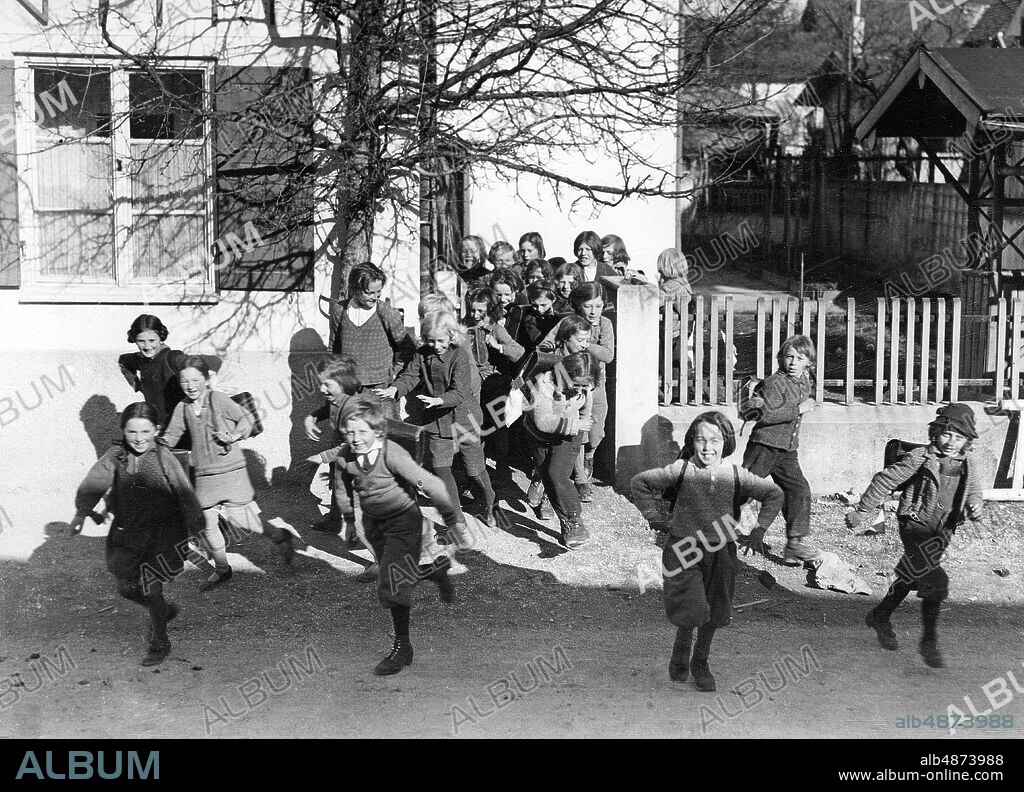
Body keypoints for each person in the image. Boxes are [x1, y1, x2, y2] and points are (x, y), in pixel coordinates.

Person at [310, 398, 468, 675]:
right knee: (396, 574)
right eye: (350, 433)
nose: (356, 439)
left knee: (392, 584)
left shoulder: (391, 454)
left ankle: (402, 647)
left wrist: (452, 520)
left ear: (378, 433)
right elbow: (343, 485)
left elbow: (431, 483)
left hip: (404, 524)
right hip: (375, 525)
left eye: (362, 433)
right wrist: (349, 520)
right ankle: (433, 571)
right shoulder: (347, 454)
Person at [630, 411, 783, 691]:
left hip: (721, 550)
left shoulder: (736, 474)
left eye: (715, 440)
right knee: (693, 607)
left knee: (714, 609)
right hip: (683, 548)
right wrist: (653, 516)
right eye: (700, 439)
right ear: (691, 441)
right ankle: (682, 644)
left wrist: (759, 530)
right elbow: (639, 483)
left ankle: (700, 661)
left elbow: (774, 494)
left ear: (726, 441)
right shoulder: (681, 470)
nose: (707, 447)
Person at [846, 404, 983, 669]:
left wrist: (975, 505)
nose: (951, 442)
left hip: (943, 530)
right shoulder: (920, 457)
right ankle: (928, 641)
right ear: (935, 432)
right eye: (946, 434)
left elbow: (974, 490)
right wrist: (863, 511)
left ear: (967, 440)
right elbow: (884, 480)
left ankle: (880, 614)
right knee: (934, 580)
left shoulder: (967, 463)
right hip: (916, 525)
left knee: (912, 574)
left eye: (959, 437)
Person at [71, 403, 204, 666]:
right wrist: (81, 512)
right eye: (132, 432)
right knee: (126, 588)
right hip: (128, 532)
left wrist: (199, 531)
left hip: (163, 533)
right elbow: (94, 482)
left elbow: (186, 495)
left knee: (151, 587)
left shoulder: (165, 458)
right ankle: (164, 611)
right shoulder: (116, 455)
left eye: (145, 431)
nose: (139, 438)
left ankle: (160, 642)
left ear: (156, 429)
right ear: (123, 430)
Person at [161, 357, 295, 590]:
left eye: (196, 379)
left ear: (207, 379)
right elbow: (171, 437)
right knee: (207, 523)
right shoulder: (182, 408)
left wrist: (232, 436)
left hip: (231, 470)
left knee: (241, 519)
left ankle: (279, 536)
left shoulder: (218, 399)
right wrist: (152, 446)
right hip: (204, 474)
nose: (191, 386)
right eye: (185, 381)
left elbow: (247, 418)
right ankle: (223, 570)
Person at [377, 311, 498, 528]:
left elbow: (460, 392)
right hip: (436, 422)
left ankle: (489, 503)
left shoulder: (460, 355)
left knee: (474, 468)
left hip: (464, 419)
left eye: (440, 340)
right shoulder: (422, 354)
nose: (436, 346)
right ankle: (456, 519)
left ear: (451, 336)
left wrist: (439, 400)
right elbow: (410, 376)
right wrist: (395, 389)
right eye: (430, 340)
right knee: (441, 469)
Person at [738, 334, 821, 566]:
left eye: (800, 358)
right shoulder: (775, 382)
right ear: (780, 359)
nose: (793, 363)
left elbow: (805, 397)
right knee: (744, 491)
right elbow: (765, 416)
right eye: (789, 357)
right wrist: (799, 409)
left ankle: (794, 545)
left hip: (786, 451)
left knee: (799, 490)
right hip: (764, 447)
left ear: (809, 363)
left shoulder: (804, 381)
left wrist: (805, 403)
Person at [539, 282, 614, 500]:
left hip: (596, 383)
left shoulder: (605, 324)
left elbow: (608, 355)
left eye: (598, 306)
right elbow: (546, 344)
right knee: (576, 430)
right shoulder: (568, 322)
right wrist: (554, 350)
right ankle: (580, 480)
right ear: (579, 305)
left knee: (596, 430)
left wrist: (584, 341)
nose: (593, 312)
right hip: (570, 381)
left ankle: (589, 455)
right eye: (588, 306)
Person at [525, 351, 597, 549]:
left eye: (586, 385)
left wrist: (582, 422)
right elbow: (543, 422)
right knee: (548, 478)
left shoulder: (585, 386)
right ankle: (565, 521)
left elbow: (586, 407)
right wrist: (576, 424)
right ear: (565, 374)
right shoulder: (544, 385)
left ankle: (574, 521)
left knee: (556, 474)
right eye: (578, 384)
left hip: (569, 434)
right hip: (540, 434)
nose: (582, 389)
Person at [330, 262, 416, 419]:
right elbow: (333, 349)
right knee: (350, 434)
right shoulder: (339, 310)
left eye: (379, 292)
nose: (375, 297)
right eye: (370, 293)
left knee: (386, 435)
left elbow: (409, 348)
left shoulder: (386, 312)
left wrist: (394, 373)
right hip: (349, 388)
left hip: (379, 388)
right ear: (355, 290)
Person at [462, 286, 526, 483]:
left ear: (489, 309)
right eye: (472, 310)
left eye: (480, 311)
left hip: (493, 382)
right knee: (472, 425)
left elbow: (519, 352)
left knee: (497, 427)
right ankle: (474, 472)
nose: (475, 315)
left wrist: (498, 346)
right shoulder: (463, 325)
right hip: (470, 381)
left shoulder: (496, 327)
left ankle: (502, 469)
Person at [117, 314, 222, 431]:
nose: (147, 346)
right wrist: (138, 385)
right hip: (159, 424)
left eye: (152, 340)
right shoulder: (139, 360)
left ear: (161, 338)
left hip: (183, 424)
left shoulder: (174, 358)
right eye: (141, 341)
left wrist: (205, 391)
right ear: (134, 340)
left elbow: (214, 362)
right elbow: (123, 362)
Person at [304, 355, 369, 538]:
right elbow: (326, 409)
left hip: (355, 459)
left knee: (354, 496)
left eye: (327, 385)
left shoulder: (353, 407)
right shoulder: (336, 399)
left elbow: (353, 444)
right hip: (340, 454)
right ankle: (337, 520)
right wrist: (311, 418)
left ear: (343, 383)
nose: (321, 389)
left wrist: (322, 457)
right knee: (339, 485)